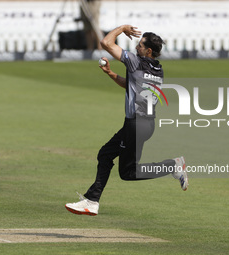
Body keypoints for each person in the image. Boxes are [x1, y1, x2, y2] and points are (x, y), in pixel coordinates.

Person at [65, 25, 188, 216]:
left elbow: (106, 43)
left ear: (148, 51)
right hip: (144, 125)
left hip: (136, 124)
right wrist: (110, 73)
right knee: (106, 154)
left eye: (140, 45)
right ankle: (92, 200)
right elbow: (130, 84)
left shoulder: (136, 61)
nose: (136, 47)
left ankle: (172, 165)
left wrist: (122, 28)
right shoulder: (157, 70)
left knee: (127, 172)